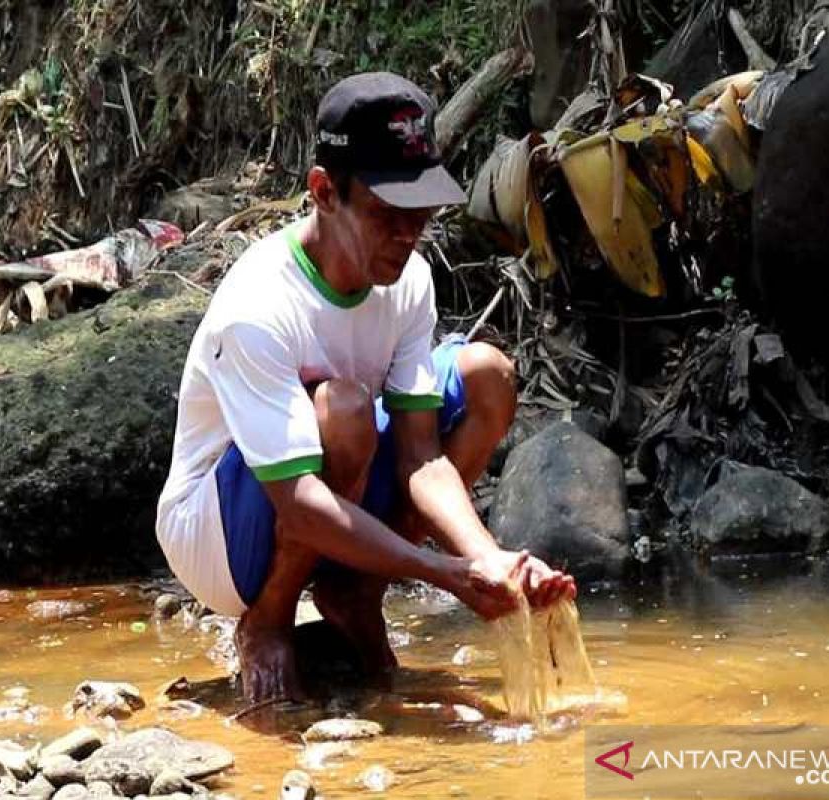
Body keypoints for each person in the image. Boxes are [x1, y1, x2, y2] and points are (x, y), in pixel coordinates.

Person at [156, 71, 576, 703]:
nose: (408, 235)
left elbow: (421, 456)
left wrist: (490, 562)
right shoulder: (260, 305)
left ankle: (355, 594)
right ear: (324, 192)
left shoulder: (408, 280)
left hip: (325, 488)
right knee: (346, 408)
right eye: (386, 215)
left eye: (421, 214)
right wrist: (444, 573)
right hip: (218, 533)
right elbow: (297, 501)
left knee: (486, 376)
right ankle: (268, 620)